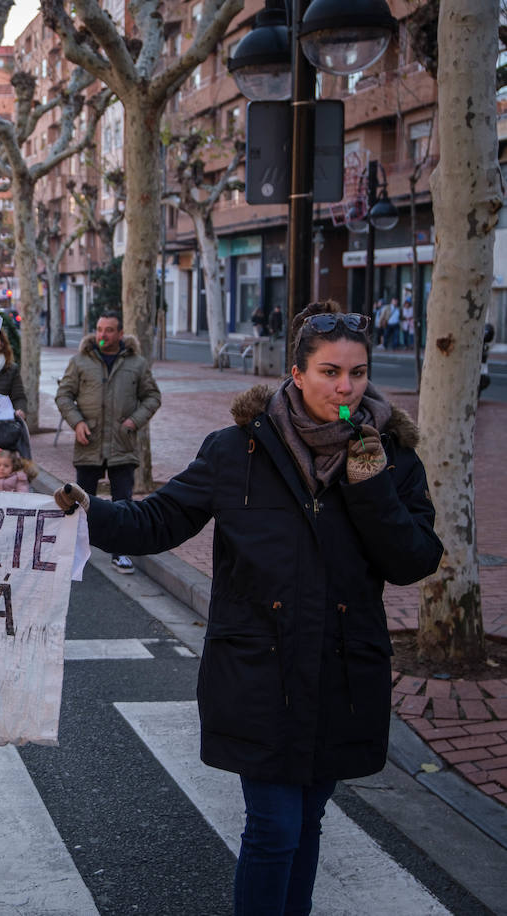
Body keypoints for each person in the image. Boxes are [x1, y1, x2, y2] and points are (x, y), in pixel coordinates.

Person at [55, 302, 442, 916]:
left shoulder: (388, 456)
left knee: (309, 821)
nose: (346, 387)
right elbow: (159, 519)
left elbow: (414, 560)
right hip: (259, 671)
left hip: (342, 669)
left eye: (358, 373)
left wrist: (372, 491)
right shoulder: (237, 449)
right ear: (296, 371)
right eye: (329, 371)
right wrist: (87, 512)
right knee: (274, 827)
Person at [54, 311, 161, 574]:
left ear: (120, 334)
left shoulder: (136, 363)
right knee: (80, 501)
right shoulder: (80, 361)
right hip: (88, 443)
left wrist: (133, 422)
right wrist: (77, 422)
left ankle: (120, 552)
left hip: (122, 444)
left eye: (109, 330)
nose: (103, 335)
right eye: (100, 329)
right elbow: (64, 395)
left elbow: (152, 397)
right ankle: (78, 551)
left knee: (122, 501)